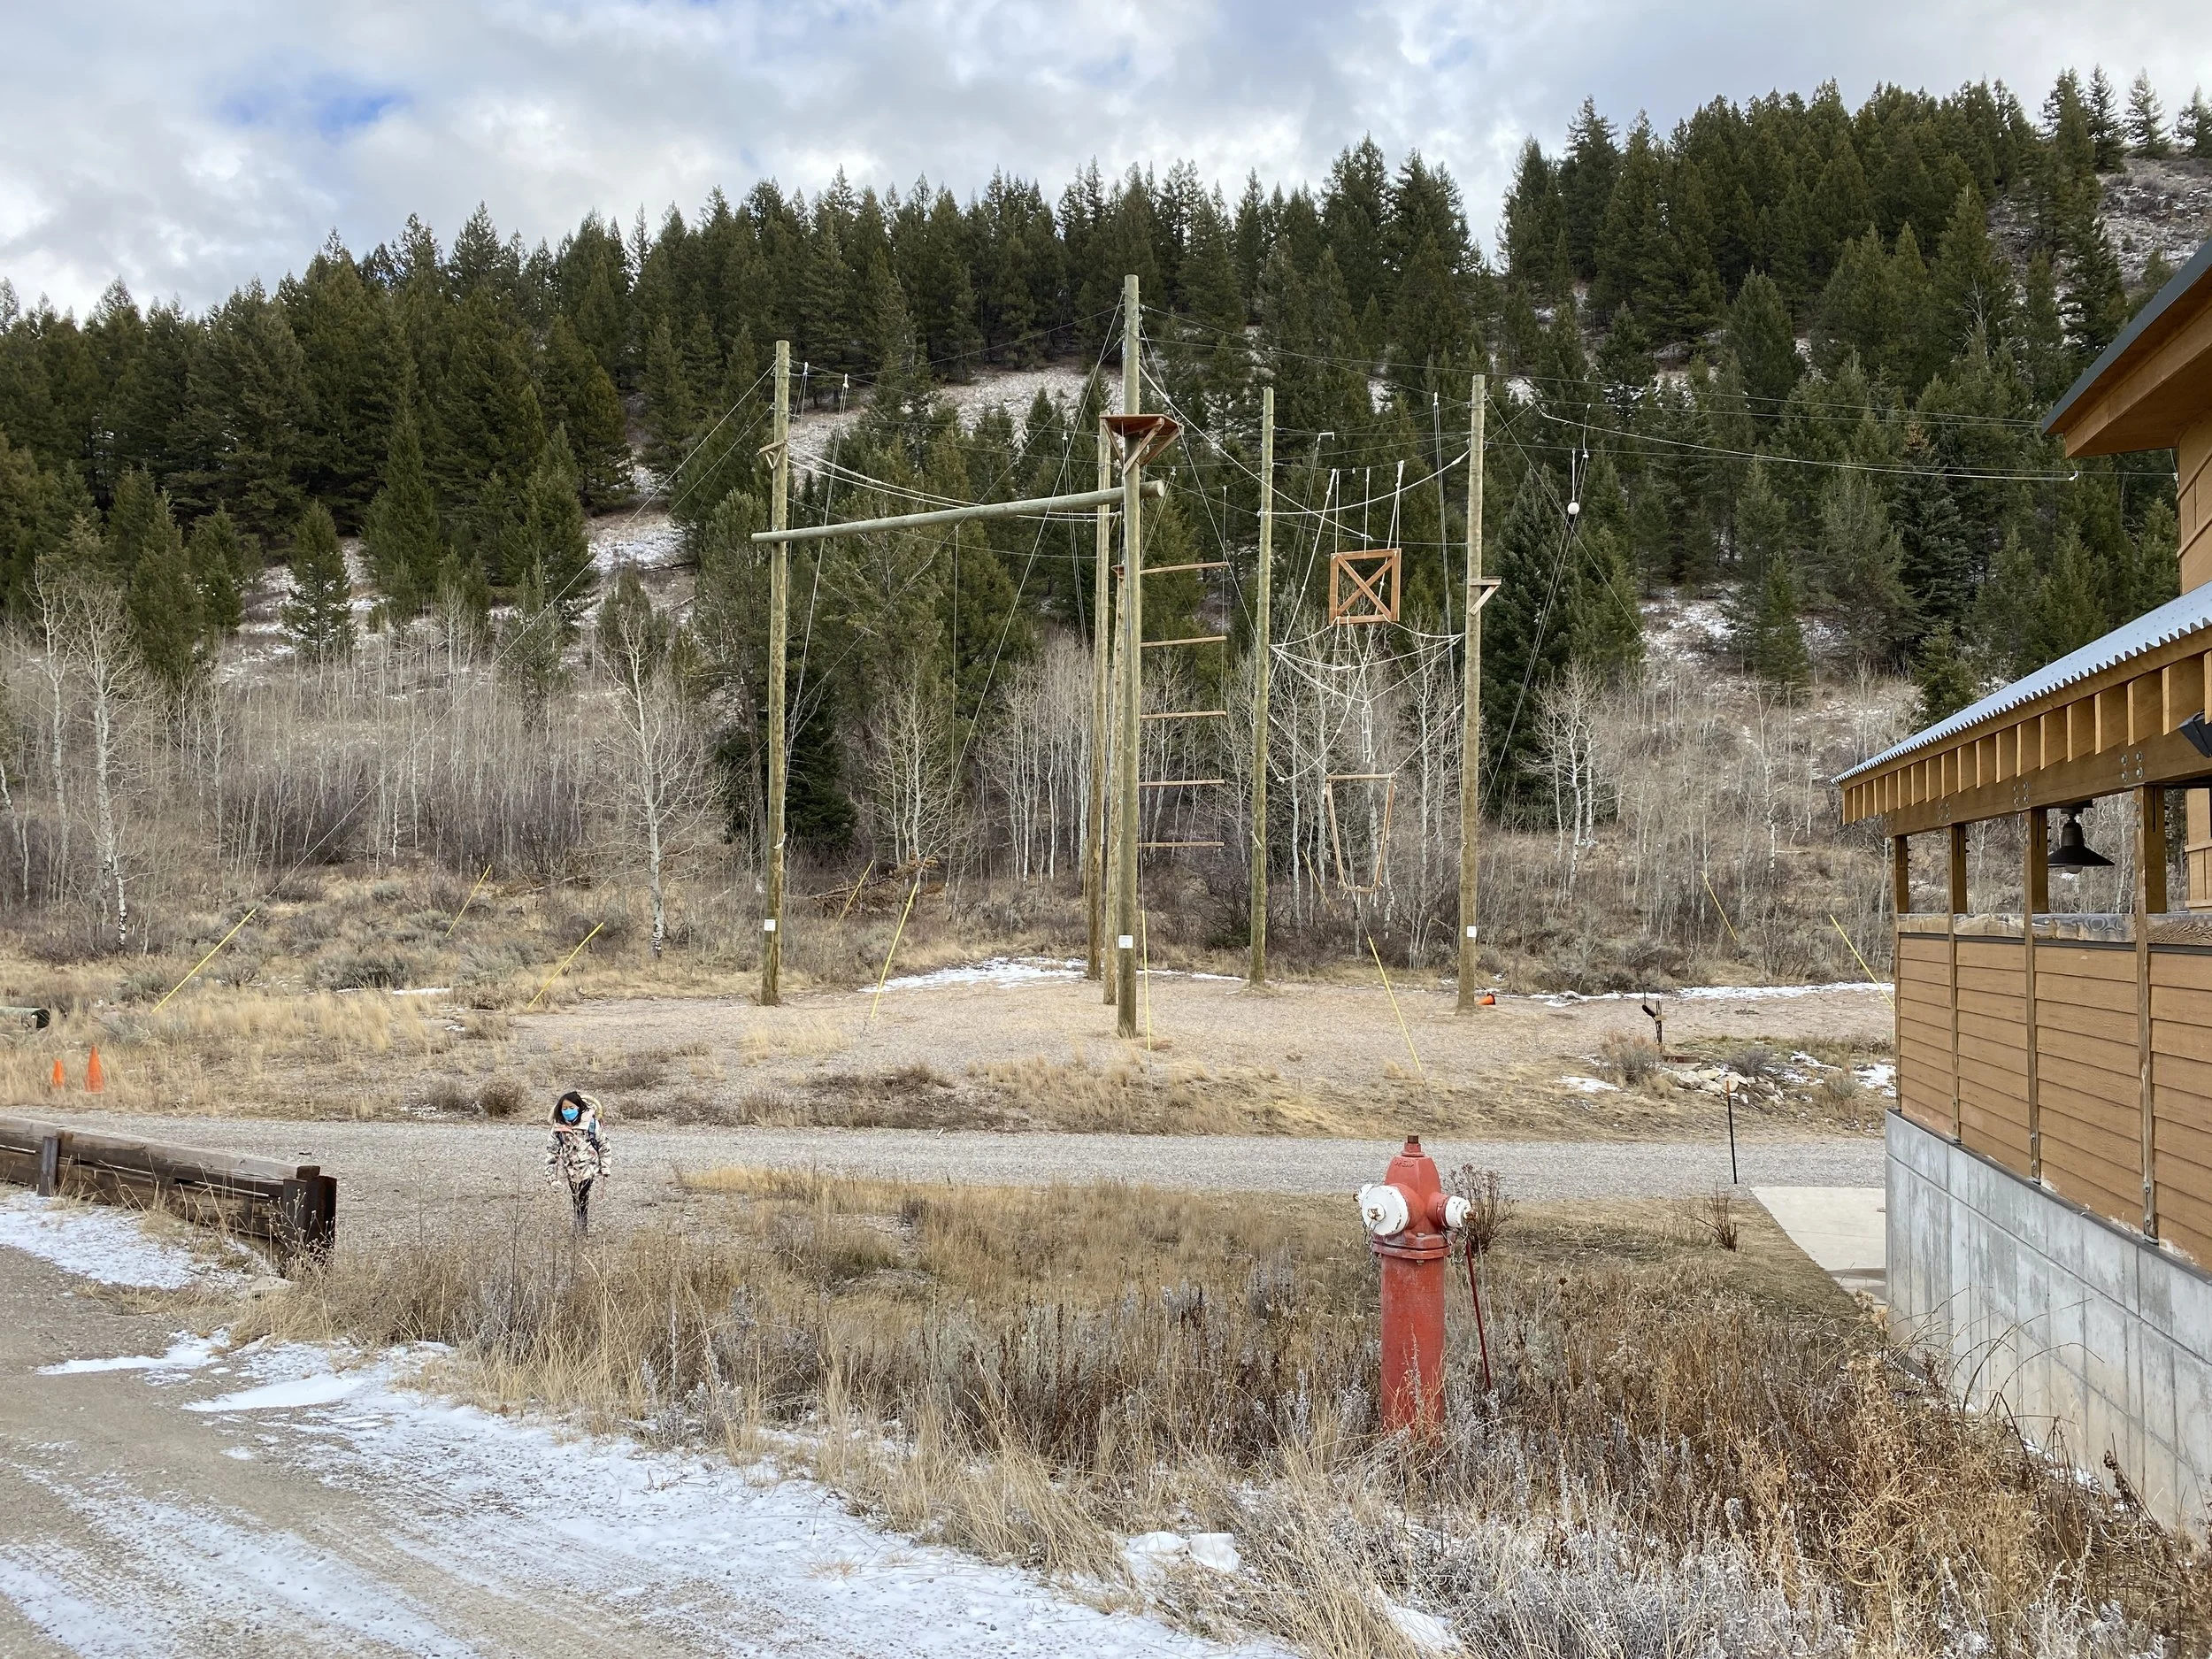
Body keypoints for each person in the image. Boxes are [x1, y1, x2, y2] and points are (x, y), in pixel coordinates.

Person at [544, 1089, 610, 1234]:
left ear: (579, 1108)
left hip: (589, 1167)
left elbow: (604, 1145)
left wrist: (605, 1167)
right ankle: (581, 1228)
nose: (568, 1111)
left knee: (581, 1196)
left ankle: (580, 1229)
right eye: (565, 1108)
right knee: (576, 1196)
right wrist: (550, 1177)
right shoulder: (558, 1128)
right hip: (570, 1169)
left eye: (571, 1108)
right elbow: (552, 1152)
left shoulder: (591, 1124)